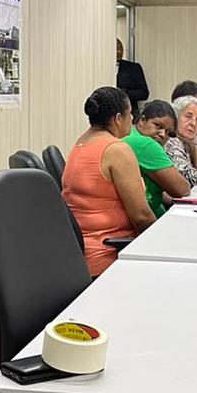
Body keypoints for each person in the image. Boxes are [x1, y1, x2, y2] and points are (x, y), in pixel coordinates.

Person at [62, 86, 156, 275]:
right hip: (108, 255)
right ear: (118, 118)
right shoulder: (116, 150)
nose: (133, 119)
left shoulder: (81, 143)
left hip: (78, 255)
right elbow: (141, 216)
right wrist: (164, 237)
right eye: (130, 113)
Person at [124, 100, 190, 217]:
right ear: (142, 121)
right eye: (158, 126)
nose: (162, 134)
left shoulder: (131, 136)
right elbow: (182, 189)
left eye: (169, 132)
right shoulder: (145, 144)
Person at [115, 38, 149, 118]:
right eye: (116, 48)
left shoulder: (133, 67)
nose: (119, 51)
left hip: (129, 114)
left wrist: (124, 93)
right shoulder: (100, 70)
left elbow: (144, 93)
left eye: (121, 48)